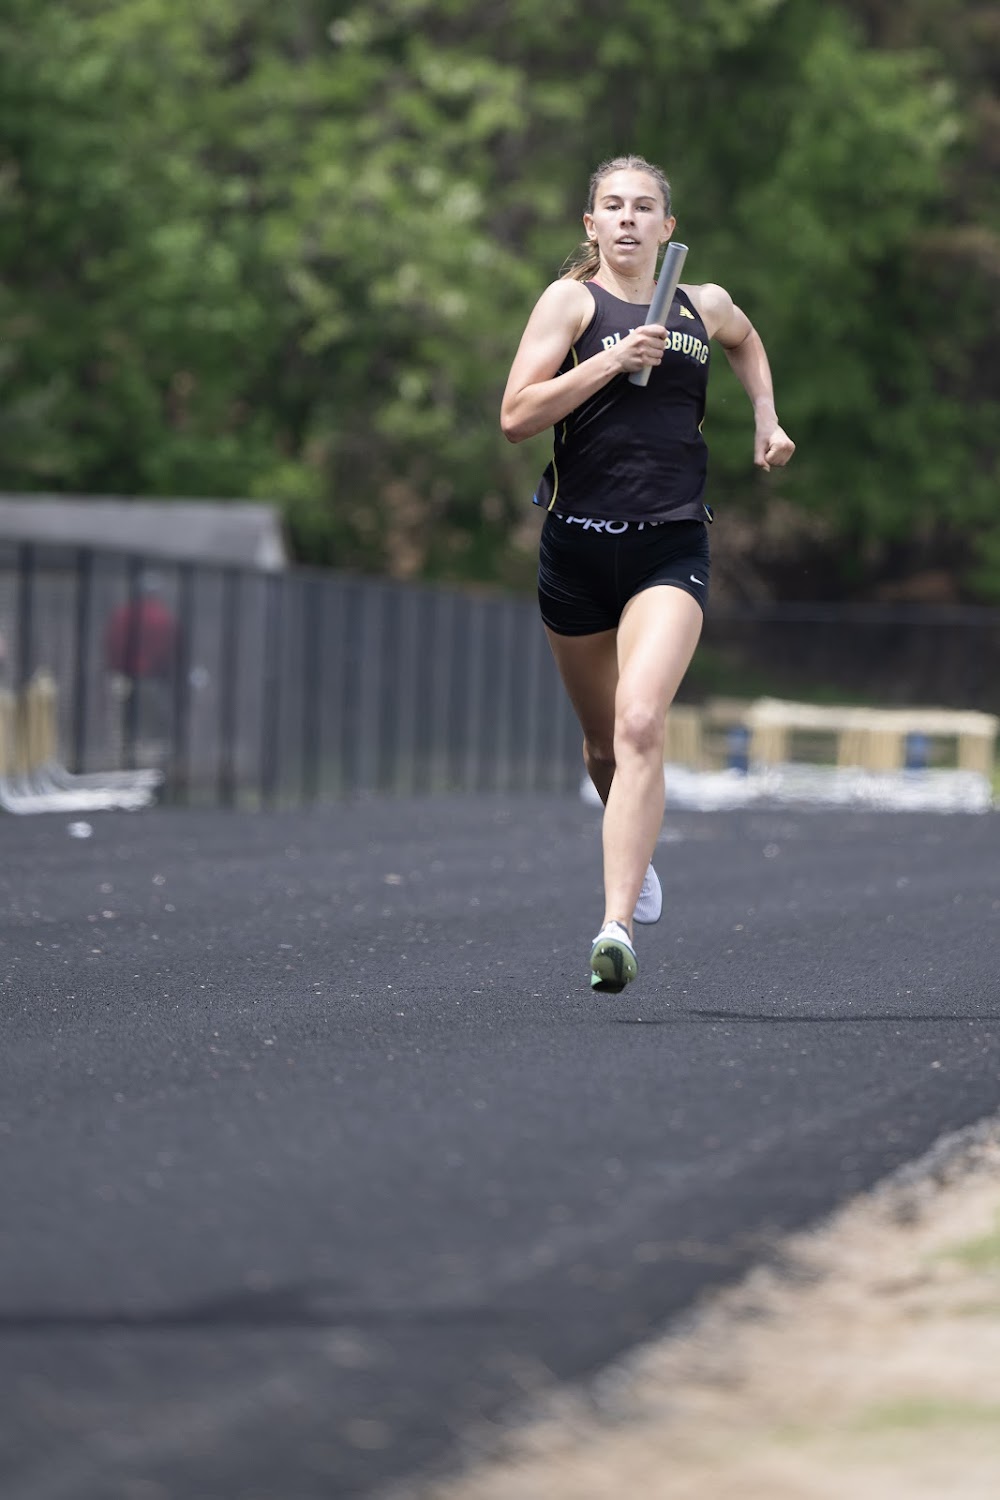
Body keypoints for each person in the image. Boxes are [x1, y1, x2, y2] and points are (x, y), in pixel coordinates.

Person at [500, 154, 795, 994]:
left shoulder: (706, 306)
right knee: (602, 745)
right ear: (591, 224)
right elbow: (516, 416)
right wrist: (610, 359)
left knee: (639, 724)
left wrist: (766, 417)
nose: (627, 218)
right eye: (612, 206)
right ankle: (635, 845)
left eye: (642, 207)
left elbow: (746, 341)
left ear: (668, 227)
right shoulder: (571, 303)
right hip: (576, 549)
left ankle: (615, 927)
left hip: (670, 546)